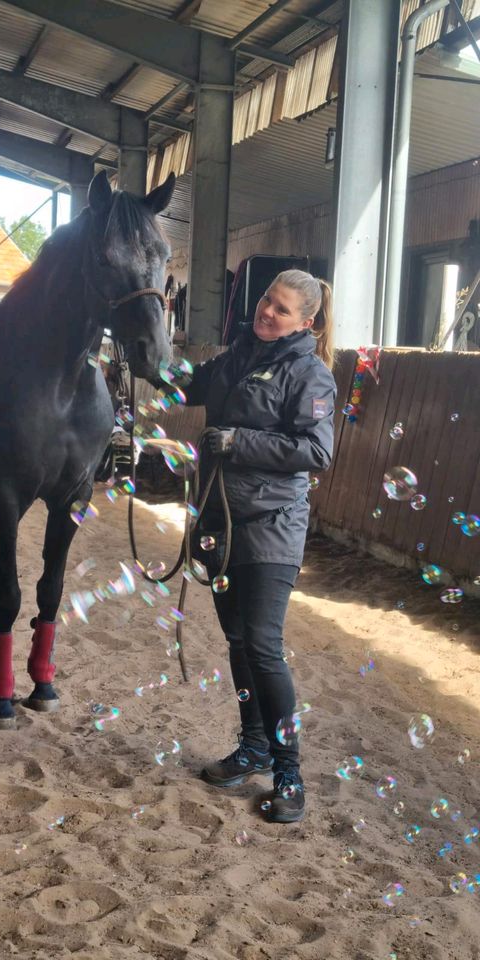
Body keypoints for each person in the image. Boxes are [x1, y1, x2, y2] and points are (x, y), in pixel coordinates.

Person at [184, 269, 336, 824]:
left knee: (264, 645)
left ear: (307, 322)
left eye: (282, 309)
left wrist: (237, 440)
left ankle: (288, 772)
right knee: (237, 641)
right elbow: (184, 384)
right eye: (267, 300)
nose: (267, 312)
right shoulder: (236, 356)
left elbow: (316, 452)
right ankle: (252, 746)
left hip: (272, 524)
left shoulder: (310, 374)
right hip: (220, 520)